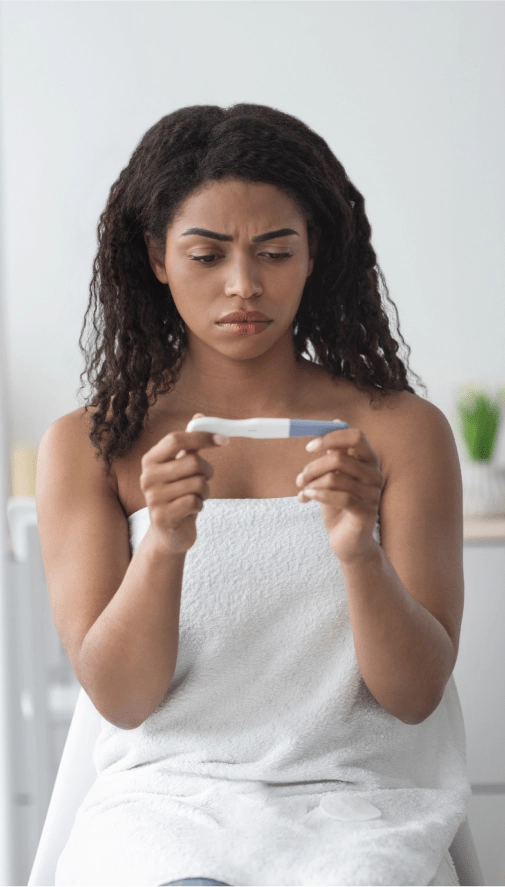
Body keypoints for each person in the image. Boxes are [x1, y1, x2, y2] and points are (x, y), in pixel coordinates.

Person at [36, 104, 469, 887]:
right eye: (206, 255)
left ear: (315, 255)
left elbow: (412, 698)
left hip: (352, 808)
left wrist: (355, 552)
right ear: (157, 257)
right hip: (162, 809)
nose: (243, 286)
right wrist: (162, 545)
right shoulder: (89, 446)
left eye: (275, 251)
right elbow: (122, 699)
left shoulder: (401, 432)